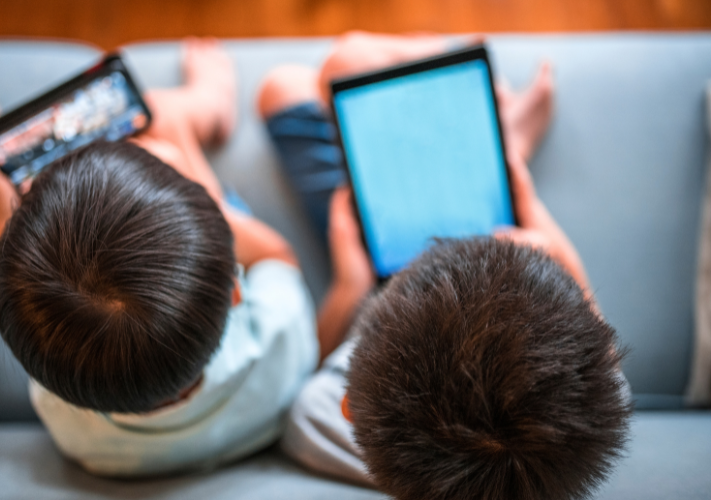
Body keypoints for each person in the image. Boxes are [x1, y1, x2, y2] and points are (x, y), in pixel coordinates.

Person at [257, 31, 632, 496]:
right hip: (480, 259)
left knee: (311, 76)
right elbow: (596, 343)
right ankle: (506, 146)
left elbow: (599, 347)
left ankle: (495, 143)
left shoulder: (317, 418)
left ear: (351, 410)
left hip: (384, 263)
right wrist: (533, 211)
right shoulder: (589, 411)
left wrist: (351, 284)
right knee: (341, 66)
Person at [0, 40, 337, 477]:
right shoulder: (279, 346)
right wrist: (190, 176)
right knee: (165, 117)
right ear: (235, 289)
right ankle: (208, 108)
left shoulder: (73, 424)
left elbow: (28, 297)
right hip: (245, 385)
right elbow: (275, 255)